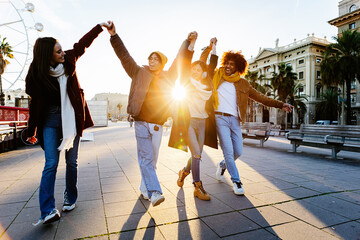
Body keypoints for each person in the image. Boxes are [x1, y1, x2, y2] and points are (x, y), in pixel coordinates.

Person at [25, 22, 109, 225]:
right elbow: (35, 104)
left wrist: (98, 27)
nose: (63, 53)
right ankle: (47, 210)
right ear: (48, 55)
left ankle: (70, 197)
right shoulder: (37, 74)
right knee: (51, 163)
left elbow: (82, 44)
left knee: (71, 162)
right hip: (50, 121)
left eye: (62, 49)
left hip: (71, 119)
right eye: (58, 51)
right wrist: (31, 130)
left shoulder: (70, 60)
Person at [105, 21, 194, 206]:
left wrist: (187, 42)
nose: (151, 61)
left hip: (157, 124)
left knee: (151, 161)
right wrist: (114, 36)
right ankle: (155, 192)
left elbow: (180, 60)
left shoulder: (169, 76)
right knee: (146, 158)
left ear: (162, 63)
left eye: (155, 59)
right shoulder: (138, 72)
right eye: (150, 58)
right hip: (140, 123)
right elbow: (124, 56)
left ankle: (144, 188)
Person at [210, 50, 293, 195]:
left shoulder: (243, 83)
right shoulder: (217, 77)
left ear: (238, 67)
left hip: (235, 119)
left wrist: (281, 104)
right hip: (219, 118)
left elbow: (261, 98)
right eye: (227, 63)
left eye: (232, 64)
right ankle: (236, 181)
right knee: (228, 151)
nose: (228, 66)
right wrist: (213, 48)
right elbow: (209, 66)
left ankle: (222, 165)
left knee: (238, 152)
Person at [169, 36, 218, 201]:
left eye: (198, 69)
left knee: (197, 155)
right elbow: (187, 60)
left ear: (203, 72)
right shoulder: (187, 82)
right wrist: (193, 43)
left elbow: (211, 64)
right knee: (196, 154)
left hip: (202, 122)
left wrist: (213, 47)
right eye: (193, 69)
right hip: (189, 123)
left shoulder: (207, 85)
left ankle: (183, 172)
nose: (194, 71)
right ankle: (198, 187)